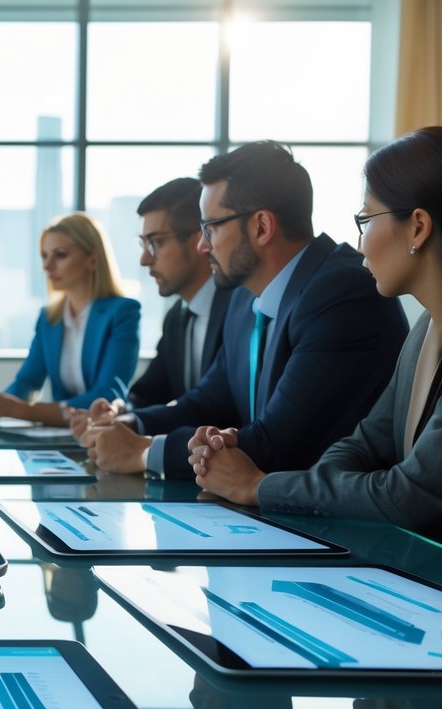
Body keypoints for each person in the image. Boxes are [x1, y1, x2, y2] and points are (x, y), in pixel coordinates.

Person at [83, 141, 407, 478]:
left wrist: (144, 452)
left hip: (336, 523)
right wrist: (127, 424)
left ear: (262, 227)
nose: (202, 245)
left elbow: (277, 445)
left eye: (211, 228)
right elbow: (210, 401)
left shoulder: (342, 294)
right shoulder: (243, 299)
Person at [193, 128, 442, 541]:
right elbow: (361, 445)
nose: (360, 245)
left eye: (365, 219)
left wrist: (254, 486)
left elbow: (411, 495)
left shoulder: (341, 293)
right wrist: (324, 486)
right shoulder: (425, 332)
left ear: (417, 227)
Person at [0, 212, 139, 426]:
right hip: (60, 436)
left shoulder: (123, 312)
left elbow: (107, 394)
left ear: (92, 259)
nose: (47, 266)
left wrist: (27, 411)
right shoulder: (49, 318)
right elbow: (27, 382)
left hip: (106, 434)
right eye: (44, 256)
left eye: (60, 255)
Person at [126, 178, 233, 408]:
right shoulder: (177, 317)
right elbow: (147, 394)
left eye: (156, 243)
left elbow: (216, 407)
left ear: (199, 241)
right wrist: (117, 411)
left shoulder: (239, 309)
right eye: (142, 245)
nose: (145, 260)